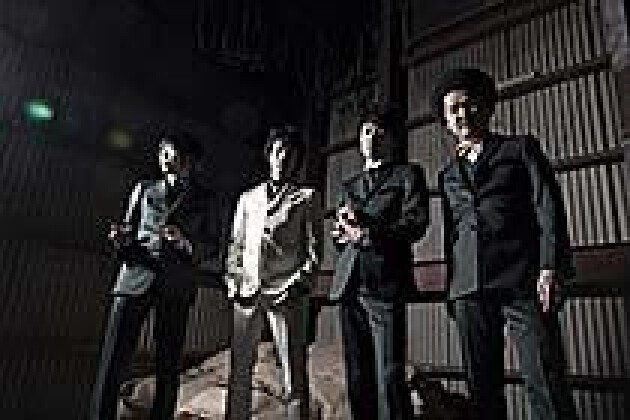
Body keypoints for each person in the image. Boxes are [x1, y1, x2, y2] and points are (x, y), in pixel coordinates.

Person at [433, 67, 575, 420]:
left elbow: (548, 208)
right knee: (482, 390)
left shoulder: (520, 149)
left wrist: (550, 267)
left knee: (545, 380)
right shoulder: (447, 175)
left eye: (468, 105)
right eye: (453, 109)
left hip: (523, 279)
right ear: (446, 122)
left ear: (486, 106)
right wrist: (453, 289)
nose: (462, 114)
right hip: (468, 287)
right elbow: (452, 234)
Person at [90, 130, 217, 420]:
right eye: (164, 153)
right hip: (134, 279)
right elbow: (128, 231)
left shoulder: (206, 199)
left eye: (175, 154)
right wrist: (121, 241)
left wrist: (185, 243)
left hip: (176, 285)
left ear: (191, 161)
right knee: (112, 362)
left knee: (168, 367)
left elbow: (213, 245)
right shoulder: (144, 189)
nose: (167, 159)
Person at [329, 102, 430, 420]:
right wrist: (340, 234)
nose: (372, 138)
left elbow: (416, 223)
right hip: (349, 285)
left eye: (379, 132)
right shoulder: (349, 185)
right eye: (366, 131)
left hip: (384, 284)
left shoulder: (408, 175)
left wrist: (369, 234)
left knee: (389, 373)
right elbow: (340, 240)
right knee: (357, 374)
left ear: (392, 139)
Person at [224, 125, 320, 420]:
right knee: (240, 372)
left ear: (297, 160)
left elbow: (314, 252)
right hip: (247, 293)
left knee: (293, 373)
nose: (283, 158)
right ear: (269, 155)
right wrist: (234, 283)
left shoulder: (307, 197)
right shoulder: (248, 198)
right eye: (278, 151)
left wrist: (296, 285)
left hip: (287, 295)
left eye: (290, 154)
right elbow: (236, 246)